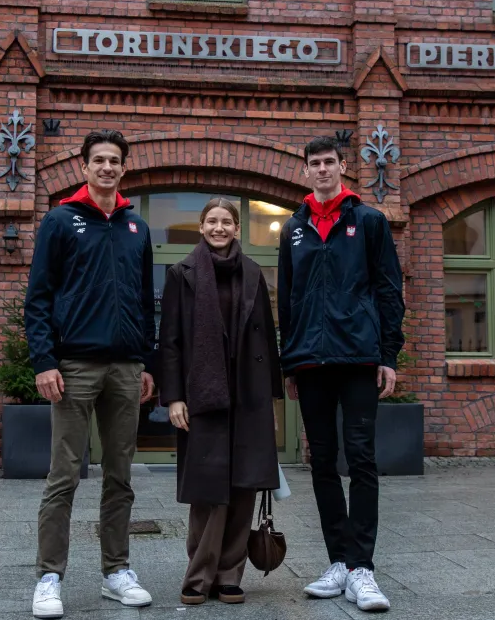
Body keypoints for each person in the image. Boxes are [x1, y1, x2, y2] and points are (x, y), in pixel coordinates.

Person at [24, 129, 157, 619]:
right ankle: (49, 577)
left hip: (125, 368)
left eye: (114, 161)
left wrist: (147, 362)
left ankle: (116, 572)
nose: (106, 167)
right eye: (98, 160)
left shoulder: (136, 229)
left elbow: (146, 303)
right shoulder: (60, 221)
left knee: (120, 477)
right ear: (84, 167)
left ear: (123, 168)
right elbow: (38, 298)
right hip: (74, 366)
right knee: (63, 477)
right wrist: (44, 360)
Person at [277, 136, 405, 612]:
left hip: (357, 359)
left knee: (361, 460)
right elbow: (287, 301)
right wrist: (289, 361)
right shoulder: (293, 229)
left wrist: (387, 355)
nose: (323, 169)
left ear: (343, 167)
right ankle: (339, 563)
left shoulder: (368, 221)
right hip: (310, 361)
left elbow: (390, 291)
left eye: (330, 162)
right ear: (305, 171)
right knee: (323, 462)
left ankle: (363, 569)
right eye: (315, 163)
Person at [160, 197, 282, 606]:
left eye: (226, 222)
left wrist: (271, 398)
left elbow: (266, 335)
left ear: (236, 229)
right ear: (201, 227)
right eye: (211, 221)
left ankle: (230, 575)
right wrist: (173, 397)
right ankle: (199, 577)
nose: (219, 228)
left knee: (244, 485)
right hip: (204, 394)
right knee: (208, 490)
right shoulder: (182, 274)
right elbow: (171, 341)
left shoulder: (252, 272)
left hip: (248, 392)